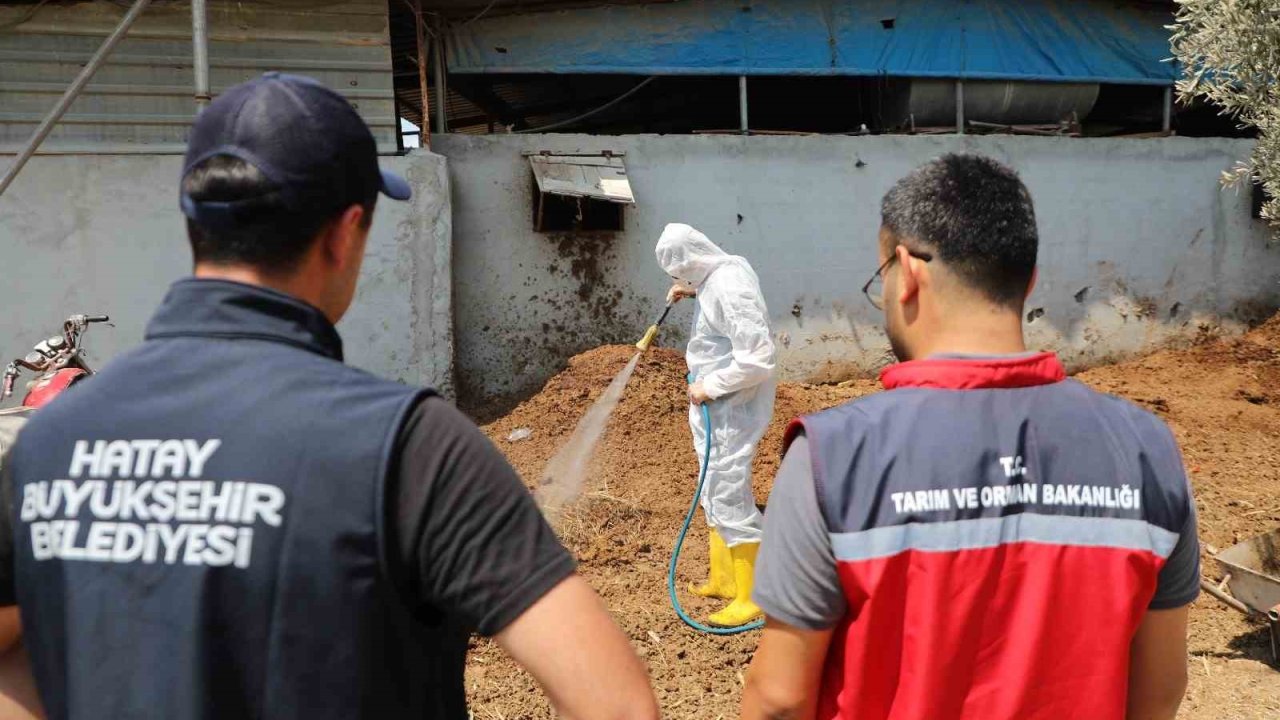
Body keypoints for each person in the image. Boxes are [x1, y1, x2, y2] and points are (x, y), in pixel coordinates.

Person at [0, 73, 658, 720]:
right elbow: (619, 706)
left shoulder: (46, 442)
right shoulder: (410, 451)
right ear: (345, 234)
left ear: (195, 223)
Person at [742, 154, 1198, 720]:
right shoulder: (1149, 450)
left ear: (907, 272)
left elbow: (780, 700)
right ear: (1028, 280)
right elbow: (1158, 692)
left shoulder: (832, 457)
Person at [657, 223, 777, 627]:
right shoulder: (719, 273)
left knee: (728, 490)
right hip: (713, 400)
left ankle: (752, 596)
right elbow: (721, 309)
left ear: (696, 258)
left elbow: (758, 358)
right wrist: (693, 290)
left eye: (683, 272)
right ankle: (724, 580)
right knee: (712, 486)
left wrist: (710, 385)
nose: (682, 278)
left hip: (730, 402)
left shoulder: (729, 286)